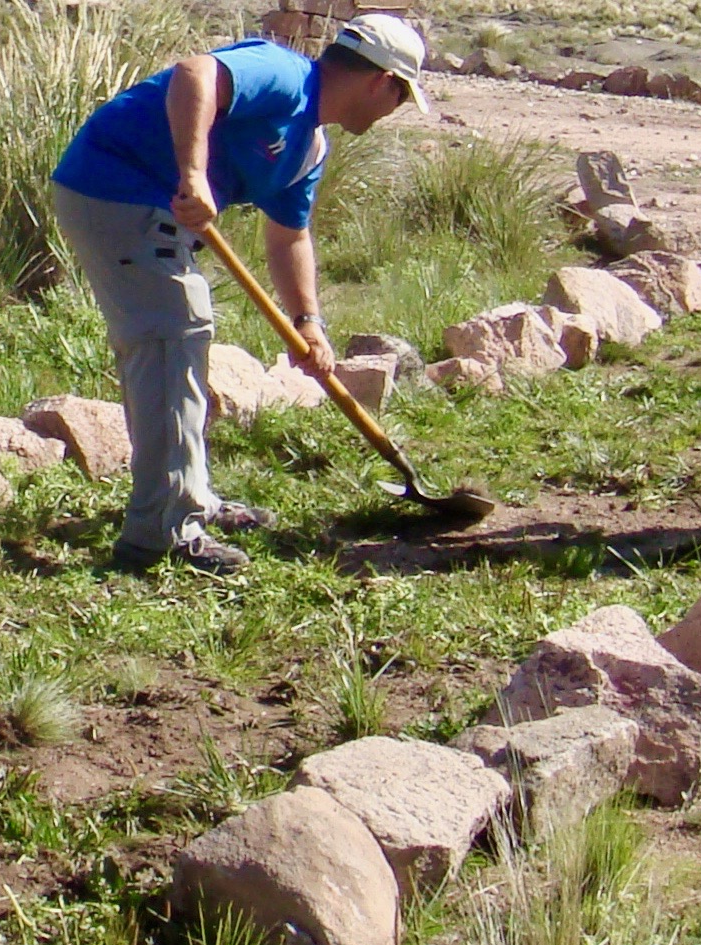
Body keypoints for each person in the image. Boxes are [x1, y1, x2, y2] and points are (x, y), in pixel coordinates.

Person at [45, 15, 433, 574]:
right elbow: (195, 74)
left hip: (152, 210)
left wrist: (308, 322)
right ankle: (164, 530)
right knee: (171, 336)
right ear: (381, 82)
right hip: (113, 187)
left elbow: (289, 235)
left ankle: (188, 496)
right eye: (401, 96)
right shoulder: (284, 74)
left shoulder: (310, 147)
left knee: (178, 342)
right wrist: (194, 174)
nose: (395, 111)